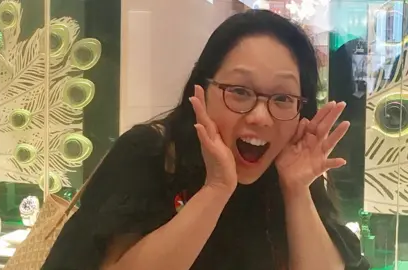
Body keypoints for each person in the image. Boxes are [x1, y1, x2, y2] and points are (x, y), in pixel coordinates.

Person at [42, 10, 369, 270]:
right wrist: (216, 189)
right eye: (240, 92)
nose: (260, 116)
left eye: (282, 98)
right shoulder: (150, 153)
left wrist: (297, 190)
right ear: (202, 89)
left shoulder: (291, 170)